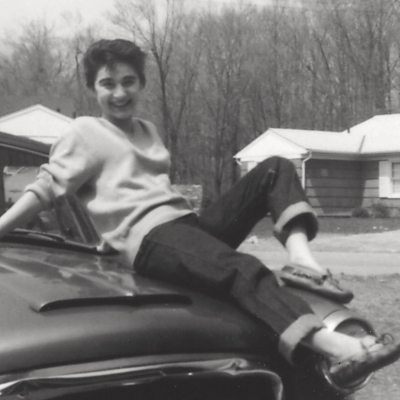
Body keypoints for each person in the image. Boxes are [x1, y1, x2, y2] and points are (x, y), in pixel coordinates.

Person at [0, 38, 399, 387]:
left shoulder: (147, 130)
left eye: (128, 81)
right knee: (242, 269)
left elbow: (149, 189)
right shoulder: (84, 131)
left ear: (141, 83)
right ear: (93, 88)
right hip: (150, 238)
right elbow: (46, 189)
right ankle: (335, 347)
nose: (119, 92)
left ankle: (301, 261)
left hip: (183, 226)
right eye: (107, 84)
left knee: (275, 167)